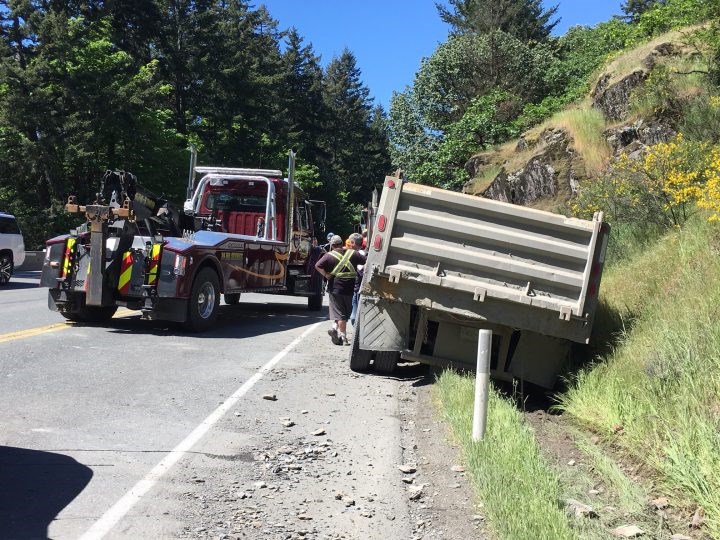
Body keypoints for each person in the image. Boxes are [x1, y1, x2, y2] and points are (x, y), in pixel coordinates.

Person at [315, 234, 366, 345]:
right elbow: (366, 261)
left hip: (335, 288)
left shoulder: (329, 256)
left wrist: (326, 275)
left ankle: (341, 335)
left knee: (340, 314)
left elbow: (317, 265)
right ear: (342, 243)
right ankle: (340, 334)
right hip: (349, 289)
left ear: (332, 245)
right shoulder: (353, 253)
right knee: (344, 314)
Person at [346, 232, 365, 326]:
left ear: (353, 242)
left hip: (356, 288)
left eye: (350, 242)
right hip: (356, 287)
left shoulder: (358, 254)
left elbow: (360, 270)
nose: (348, 244)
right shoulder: (361, 253)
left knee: (354, 315)